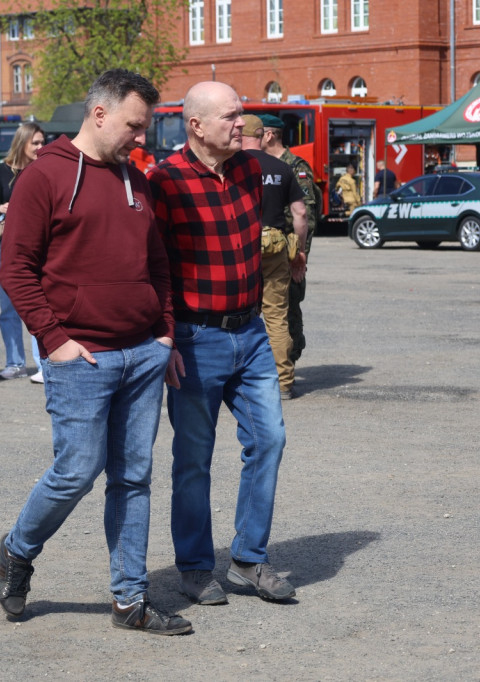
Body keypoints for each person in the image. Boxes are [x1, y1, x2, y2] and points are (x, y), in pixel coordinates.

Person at [0, 69, 189, 636]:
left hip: (143, 354)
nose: (141, 138)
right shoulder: (43, 178)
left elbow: (158, 265)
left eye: (145, 127)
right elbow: (16, 269)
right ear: (99, 114)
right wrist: (54, 341)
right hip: (82, 359)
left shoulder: (137, 182)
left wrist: (165, 334)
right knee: (76, 470)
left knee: (133, 478)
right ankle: (17, 550)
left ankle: (130, 600)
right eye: (134, 125)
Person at [147, 81, 295, 607]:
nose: (243, 124)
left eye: (242, 114)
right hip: (194, 337)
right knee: (193, 458)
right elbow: (155, 265)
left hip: (251, 332)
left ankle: (249, 558)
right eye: (232, 116)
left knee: (270, 439)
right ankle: (193, 566)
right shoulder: (164, 181)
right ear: (196, 125)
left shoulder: (253, 170)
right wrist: (165, 337)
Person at [240, 114, 307, 400]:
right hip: (276, 248)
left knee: (239, 315)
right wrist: (299, 251)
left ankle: (242, 380)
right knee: (277, 318)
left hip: (241, 249)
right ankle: (283, 383)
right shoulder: (282, 168)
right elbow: (301, 213)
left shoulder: (232, 168)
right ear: (263, 135)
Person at [259, 113, 317, 364]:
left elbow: (307, 216)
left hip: (287, 250)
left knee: (289, 308)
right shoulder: (257, 165)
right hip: (264, 249)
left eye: (256, 133)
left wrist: (298, 255)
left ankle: (289, 362)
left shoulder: (296, 167)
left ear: (269, 135)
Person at [0, 122, 45, 383]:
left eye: (42, 142)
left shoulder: (44, 168)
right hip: (7, 244)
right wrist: (1, 208)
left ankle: (44, 363)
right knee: (8, 307)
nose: (40, 147)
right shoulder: (4, 169)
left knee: (38, 304)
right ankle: (15, 363)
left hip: (37, 245)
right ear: (22, 142)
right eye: (35, 142)